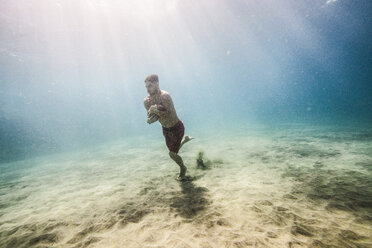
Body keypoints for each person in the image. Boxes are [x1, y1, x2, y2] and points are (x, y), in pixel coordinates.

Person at [143, 74, 193, 180]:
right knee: (174, 151)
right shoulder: (147, 101)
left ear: (157, 84)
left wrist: (155, 109)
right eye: (146, 87)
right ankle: (185, 140)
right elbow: (155, 117)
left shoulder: (165, 96)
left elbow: (167, 113)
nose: (148, 89)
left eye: (150, 86)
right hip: (165, 130)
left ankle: (183, 168)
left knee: (172, 154)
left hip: (177, 127)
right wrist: (150, 120)